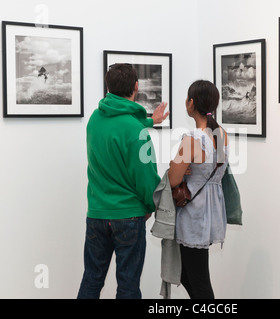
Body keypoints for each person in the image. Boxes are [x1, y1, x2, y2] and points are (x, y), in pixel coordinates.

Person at [77, 63, 169, 299]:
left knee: (92, 279)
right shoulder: (136, 132)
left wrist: (151, 122)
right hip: (128, 217)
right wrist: (150, 206)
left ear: (108, 86)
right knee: (128, 285)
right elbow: (146, 178)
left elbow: (117, 131)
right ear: (136, 87)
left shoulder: (95, 119)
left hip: (97, 214)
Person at [168, 80, 229, 299]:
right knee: (190, 274)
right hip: (212, 212)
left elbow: (173, 179)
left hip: (193, 215)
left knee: (197, 278)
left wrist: (176, 168)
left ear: (191, 103)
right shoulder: (221, 134)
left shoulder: (192, 139)